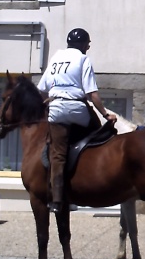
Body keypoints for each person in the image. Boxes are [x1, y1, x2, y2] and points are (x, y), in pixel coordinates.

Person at [37, 28, 117, 214]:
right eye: (87, 43)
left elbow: (42, 89)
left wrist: (47, 103)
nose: (88, 46)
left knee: (57, 154)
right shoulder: (83, 59)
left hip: (56, 110)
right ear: (82, 44)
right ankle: (93, 176)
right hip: (78, 109)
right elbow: (92, 94)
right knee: (99, 137)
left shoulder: (55, 57)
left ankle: (57, 200)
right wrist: (106, 115)